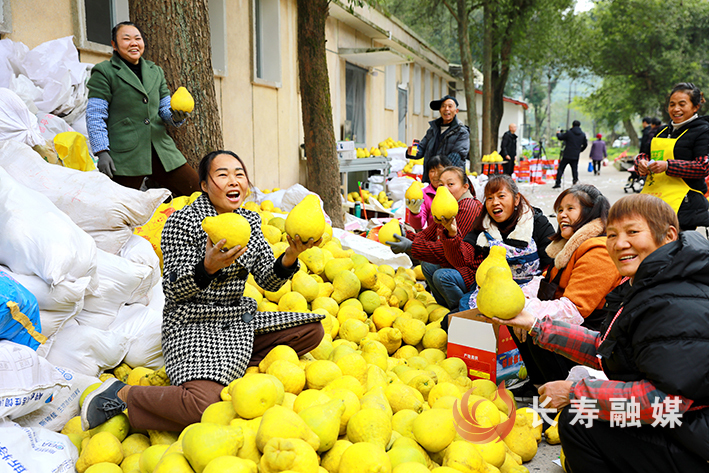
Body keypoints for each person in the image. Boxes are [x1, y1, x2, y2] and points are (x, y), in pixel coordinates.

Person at [81, 150, 325, 432]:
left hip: (236, 322)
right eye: (222, 175)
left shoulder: (250, 224)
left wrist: (291, 255)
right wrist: (206, 268)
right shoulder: (181, 222)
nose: (234, 181)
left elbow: (269, 282)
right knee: (204, 407)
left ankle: (225, 367)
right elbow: (172, 289)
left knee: (312, 331)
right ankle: (124, 395)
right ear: (205, 186)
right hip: (192, 325)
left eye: (239, 174)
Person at [491, 194, 709, 472]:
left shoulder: (673, 300)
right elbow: (612, 349)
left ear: (667, 236)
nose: (619, 244)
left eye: (632, 232)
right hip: (685, 424)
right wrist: (535, 325)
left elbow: (663, 402)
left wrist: (575, 392)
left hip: (694, 439)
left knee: (579, 419)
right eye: (612, 234)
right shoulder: (652, 284)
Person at [506, 184, 622, 386]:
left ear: (590, 213)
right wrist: (517, 301)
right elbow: (544, 281)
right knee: (519, 321)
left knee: (535, 326)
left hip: (591, 336)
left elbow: (573, 310)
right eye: (559, 210)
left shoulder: (599, 251)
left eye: (570, 209)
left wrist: (525, 312)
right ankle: (539, 384)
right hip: (571, 323)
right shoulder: (567, 247)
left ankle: (556, 389)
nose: (562, 216)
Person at [86, 21, 200, 197]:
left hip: (161, 150)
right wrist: (102, 152)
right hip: (126, 155)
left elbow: (164, 109)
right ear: (114, 45)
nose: (133, 43)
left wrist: (176, 117)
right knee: (122, 207)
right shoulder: (104, 72)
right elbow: (95, 115)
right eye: (126, 39)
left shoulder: (156, 72)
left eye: (137, 38)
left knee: (197, 190)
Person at [455, 175, 556, 313]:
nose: (495, 202)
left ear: (516, 199)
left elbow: (552, 263)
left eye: (501, 196)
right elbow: (463, 257)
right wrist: (450, 234)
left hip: (529, 291)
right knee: (457, 317)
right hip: (491, 290)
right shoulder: (483, 225)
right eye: (489, 198)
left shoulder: (537, 223)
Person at [389, 166, 482, 309]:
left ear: (465, 187)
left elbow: (446, 252)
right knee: (427, 265)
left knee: (441, 276)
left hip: (471, 271)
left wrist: (410, 247)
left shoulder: (468, 207)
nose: (444, 189)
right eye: (441, 185)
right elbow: (428, 234)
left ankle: (461, 310)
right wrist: (406, 235)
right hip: (454, 263)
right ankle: (442, 309)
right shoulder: (448, 207)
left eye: (450, 184)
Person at [635, 82, 709, 230]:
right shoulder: (661, 131)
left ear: (695, 107)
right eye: (672, 104)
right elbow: (645, 154)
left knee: (676, 249)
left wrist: (668, 166)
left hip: (683, 206)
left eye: (682, 104)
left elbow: (703, 167)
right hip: (654, 200)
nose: (676, 109)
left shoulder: (703, 131)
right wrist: (641, 163)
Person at [416, 95, 470, 183]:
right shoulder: (432, 130)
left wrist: (439, 172)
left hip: (450, 180)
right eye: (443, 106)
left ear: (456, 111)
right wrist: (413, 152)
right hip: (430, 178)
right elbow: (422, 148)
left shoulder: (461, 132)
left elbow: (456, 155)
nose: (446, 109)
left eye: (450, 106)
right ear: (440, 110)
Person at [405, 155, 451, 230]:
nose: (435, 175)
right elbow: (418, 226)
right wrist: (415, 212)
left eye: (439, 171)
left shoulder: (454, 190)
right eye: (432, 171)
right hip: (434, 239)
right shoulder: (424, 194)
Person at [553, 120, 588, 189]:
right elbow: (585, 144)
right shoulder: (582, 134)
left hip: (567, 155)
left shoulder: (569, 133)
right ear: (579, 126)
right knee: (574, 169)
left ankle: (558, 183)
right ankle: (575, 183)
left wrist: (558, 133)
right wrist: (580, 150)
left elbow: (560, 137)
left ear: (572, 125)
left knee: (561, 169)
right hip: (575, 155)